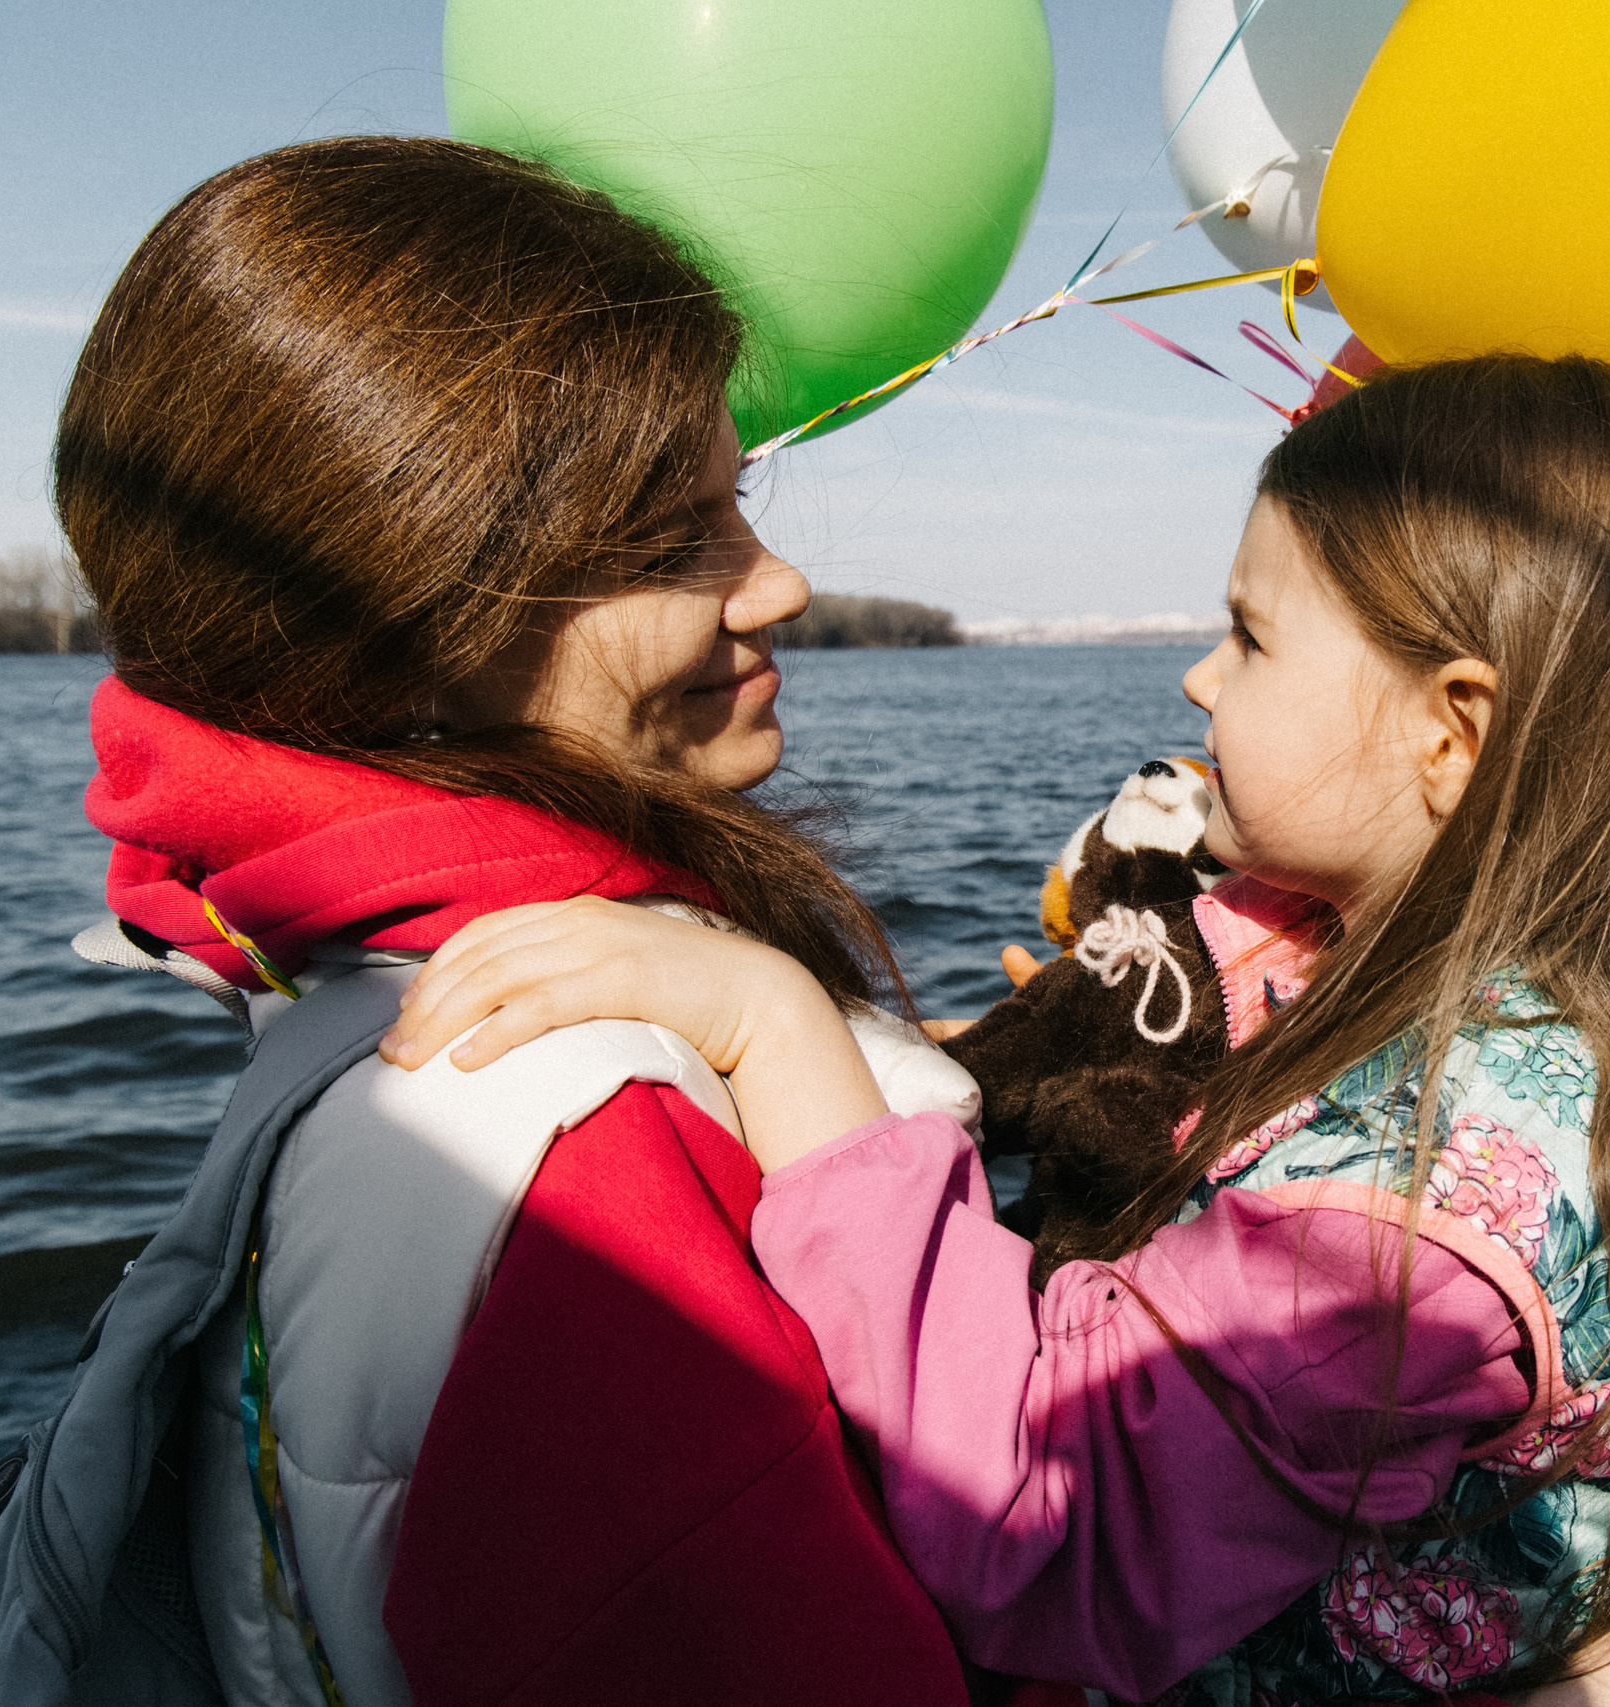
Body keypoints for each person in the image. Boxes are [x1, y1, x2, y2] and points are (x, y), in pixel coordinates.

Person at [383, 355, 1610, 1705]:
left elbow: (1042, 1508)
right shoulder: (1549, 1017)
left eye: (1250, 634)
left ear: (1454, 736)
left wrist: (776, 1025)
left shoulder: (1411, 1224)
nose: (1200, 678)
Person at [55, 134, 1014, 1707]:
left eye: (739, 498)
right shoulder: (590, 1132)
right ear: (403, 621)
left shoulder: (372, 974)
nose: (776, 588)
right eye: (666, 542)